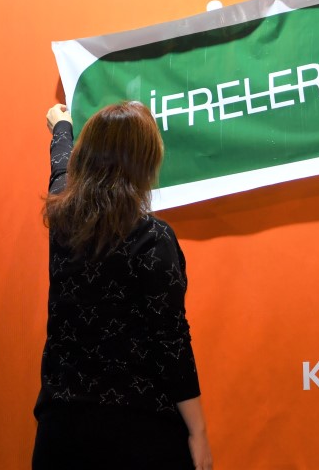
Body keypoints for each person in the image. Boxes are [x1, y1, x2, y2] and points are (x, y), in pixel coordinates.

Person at [33, 101, 213, 470]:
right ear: (146, 164)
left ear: (85, 158)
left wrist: (61, 127)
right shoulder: (154, 239)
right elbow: (172, 344)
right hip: (140, 433)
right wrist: (198, 432)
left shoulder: (63, 221)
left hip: (61, 431)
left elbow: (60, 170)